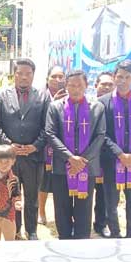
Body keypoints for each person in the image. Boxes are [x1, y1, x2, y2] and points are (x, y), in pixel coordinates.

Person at [0, 58, 50, 240]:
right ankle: (14, 231)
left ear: (33, 75)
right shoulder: (1, 95)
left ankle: (31, 231)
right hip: (8, 158)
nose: (24, 77)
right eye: (20, 73)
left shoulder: (43, 96)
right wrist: (8, 145)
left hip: (33, 156)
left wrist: (35, 146)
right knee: (10, 195)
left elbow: (48, 126)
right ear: (14, 74)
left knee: (31, 197)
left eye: (28, 74)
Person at [45, 69, 106, 240]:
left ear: (86, 86)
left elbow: (100, 135)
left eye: (79, 85)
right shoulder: (55, 107)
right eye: (71, 85)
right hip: (62, 166)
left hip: (88, 166)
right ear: (66, 85)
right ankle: (64, 239)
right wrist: (70, 158)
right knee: (62, 207)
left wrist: (82, 160)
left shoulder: (97, 108)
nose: (75, 88)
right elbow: (50, 134)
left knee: (84, 207)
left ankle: (82, 241)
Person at [99, 61, 131, 239]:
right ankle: (114, 233)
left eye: (127, 77)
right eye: (119, 76)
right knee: (111, 201)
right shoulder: (103, 102)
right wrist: (120, 154)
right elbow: (102, 134)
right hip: (112, 160)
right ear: (114, 77)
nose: (122, 80)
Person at [38, 65, 66, 226]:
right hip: (44, 145)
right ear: (47, 79)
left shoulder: (70, 95)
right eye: (54, 76)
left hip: (63, 146)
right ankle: (41, 212)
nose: (57, 80)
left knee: (60, 181)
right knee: (43, 181)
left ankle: (61, 213)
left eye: (61, 76)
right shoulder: (40, 96)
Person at [93, 71, 115, 236]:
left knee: (104, 192)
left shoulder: (116, 105)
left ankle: (101, 223)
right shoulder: (89, 103)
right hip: (89, 155)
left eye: (110, 84)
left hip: (107, 156)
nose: (107, 87)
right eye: (103, 84)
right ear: (96, 86)